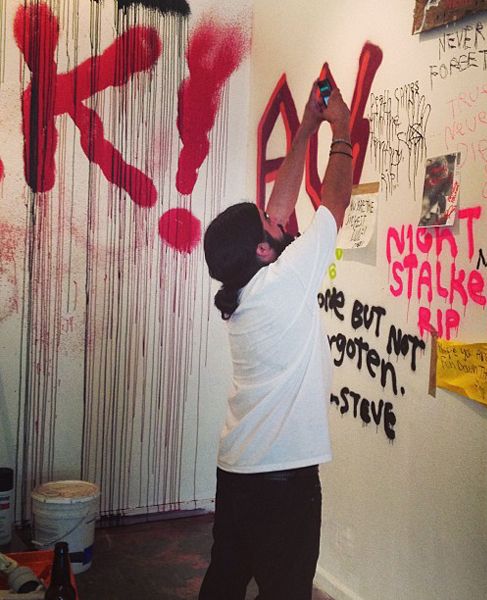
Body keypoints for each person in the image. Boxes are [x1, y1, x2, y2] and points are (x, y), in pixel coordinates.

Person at [199, 82, 352, 600]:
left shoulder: (242, 292)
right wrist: (340, 129)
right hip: (283, 481)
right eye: (267, 222)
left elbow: (278, 218)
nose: (277, 218)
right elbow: (334, 206)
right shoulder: (286, 281)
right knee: (286, 591)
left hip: (238, 468)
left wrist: (305, 126)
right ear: (263, 250)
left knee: (224, 581)